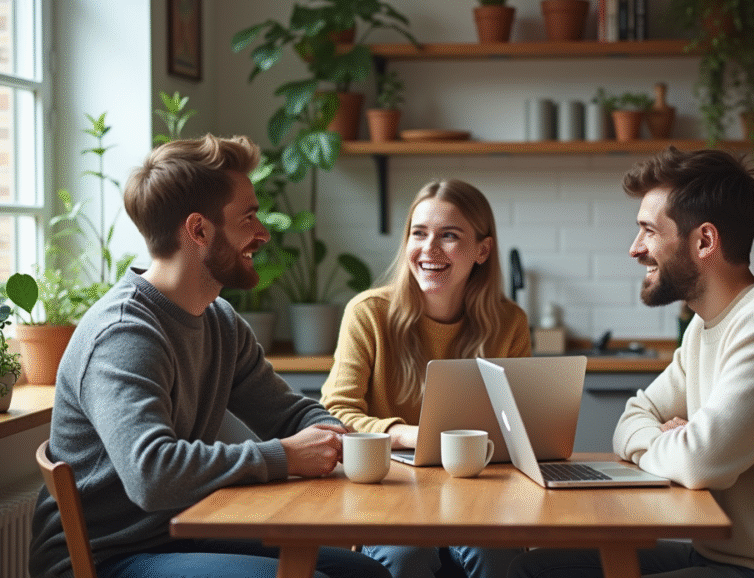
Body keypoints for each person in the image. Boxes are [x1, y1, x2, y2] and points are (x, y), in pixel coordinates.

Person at [29, 135, 390, 578]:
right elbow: (151, 474)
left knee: (366, 573)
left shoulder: (218, 319)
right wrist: (284, 455)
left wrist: (333, 434)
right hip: (105, 557)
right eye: (249, 217)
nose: (264, 233)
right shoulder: (123, 334)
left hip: (178, 529)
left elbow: (285, 411)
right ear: (199, 230)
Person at [509, 147, 754, 578]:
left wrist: (685, 445)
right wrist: (672, 440)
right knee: (530, 570)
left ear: (704, 241)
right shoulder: (704, 325)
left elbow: (699, 463)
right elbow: (633, 418)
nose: (635, 249)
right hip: (716, 556)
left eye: (649, 231)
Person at [320, 179, 530, 578]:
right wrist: (406, 434)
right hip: (388, 492)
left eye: (449, 236)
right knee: (406, 557)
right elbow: (335, 413)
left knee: (498, 558)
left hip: (477, 495)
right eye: (419, 234)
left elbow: (518, 426)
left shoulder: (509, 322)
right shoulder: (368, 313)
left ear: (482, 250)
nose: (429, 250)